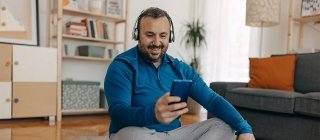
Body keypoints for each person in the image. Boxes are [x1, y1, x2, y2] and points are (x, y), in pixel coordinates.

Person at [104, 7, 255, 140]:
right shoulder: (122, 66)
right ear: (137, 35)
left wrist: (245, 128)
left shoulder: (181, 69)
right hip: (137, 133)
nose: (157, 42)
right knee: (131, 136)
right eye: (150, 35)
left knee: (225, 126)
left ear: (170, 36)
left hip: (174, 135)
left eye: (163, 35)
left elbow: (212, 100)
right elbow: (118, 112)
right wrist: (152, 114)